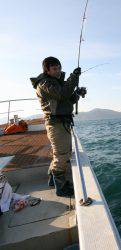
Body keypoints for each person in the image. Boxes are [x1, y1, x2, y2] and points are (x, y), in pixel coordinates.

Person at [30, 57, 87, 197]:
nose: (58, 71)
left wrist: (77, 94)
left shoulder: (55, 83)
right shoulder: (44, 83)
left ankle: (52, 180)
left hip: (62, 122)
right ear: (47, 70)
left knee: (60, 154)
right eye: (55, 68)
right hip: (56, 124)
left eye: (59, 68)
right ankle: (61, 188)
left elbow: (67, 100)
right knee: (62, 155)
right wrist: (73, 77)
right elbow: (62, 94)